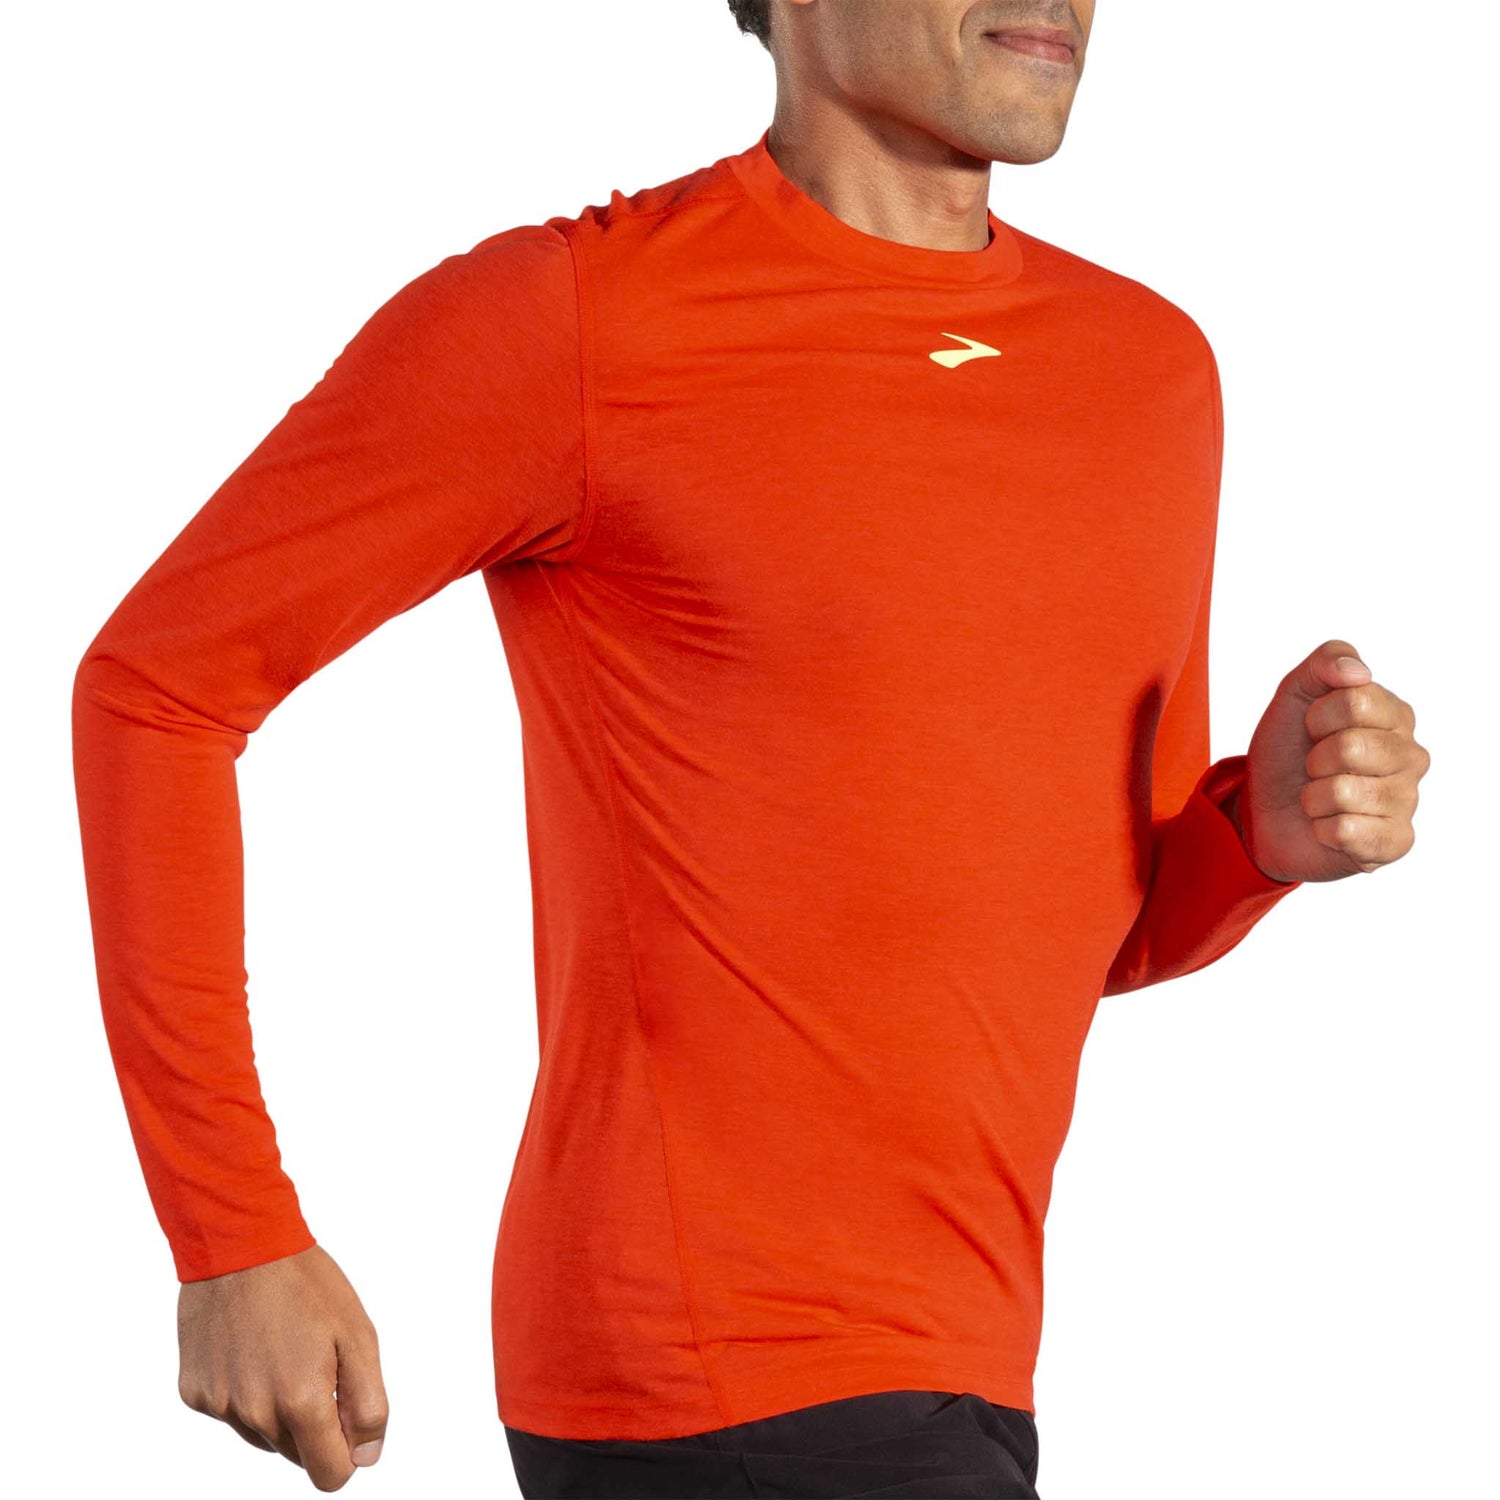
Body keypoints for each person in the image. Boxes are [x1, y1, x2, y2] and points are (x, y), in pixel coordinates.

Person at [71, 0, 1430, 1495]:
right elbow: (157, 690)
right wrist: (232, 1231)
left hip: (964, 1362)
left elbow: (1075, 928)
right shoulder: (579, 319)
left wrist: (1256, 844)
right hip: (701, 1368)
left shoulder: (1145, 373)